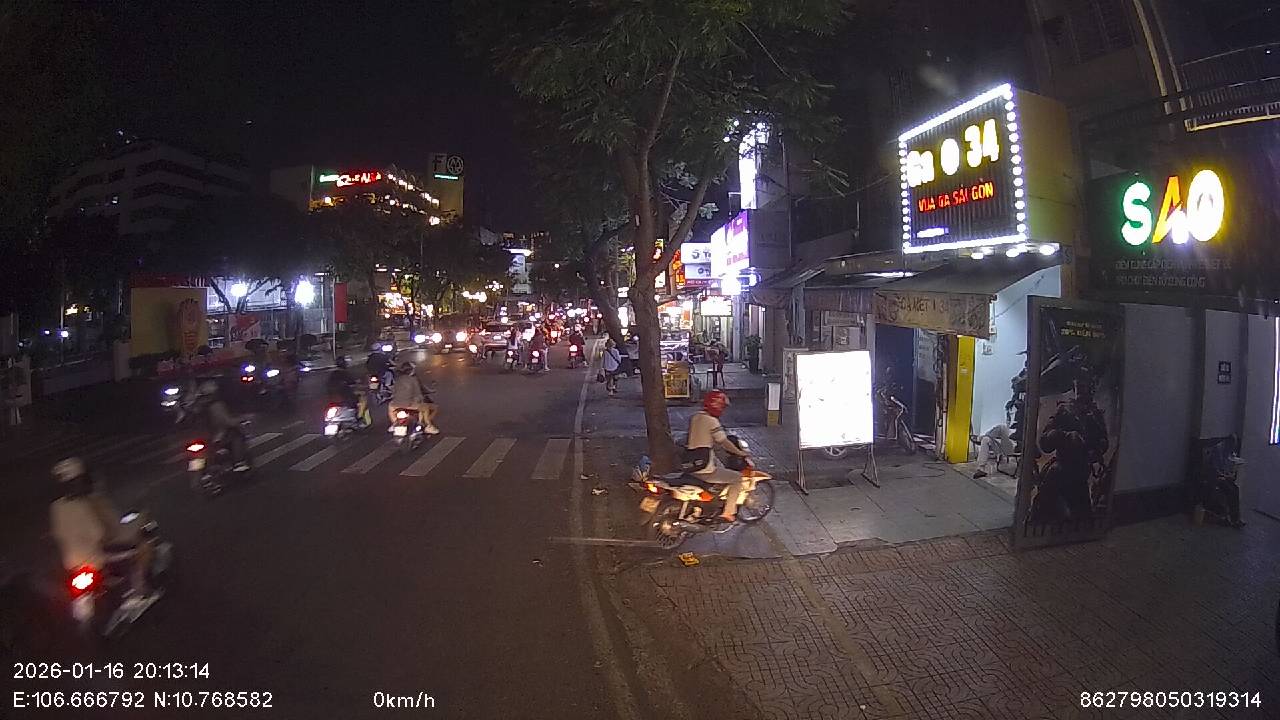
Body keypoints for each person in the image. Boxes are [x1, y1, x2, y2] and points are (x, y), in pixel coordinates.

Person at [50, 458, 157, 610]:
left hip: (72, 564)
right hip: (98, 557)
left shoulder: (56, 507)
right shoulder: (86, 503)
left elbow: (58, 534)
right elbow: (100, 533)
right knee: (141, 549)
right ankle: (138, 593)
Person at [684, 390, 752, 522]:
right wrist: (740, 453)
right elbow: (724, 442)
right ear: (717, 406)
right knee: (737, 478)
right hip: (704, 468)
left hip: (690, 464)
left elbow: (706, 440)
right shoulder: (712, 421)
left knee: (720, 469)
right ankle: (728, 513)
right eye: (722, 407)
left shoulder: (696, 417)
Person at [195, 381, 250, 472]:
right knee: (237, 435)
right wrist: (238, 421)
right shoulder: (215, 404)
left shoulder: (197, 405)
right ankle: (239, 462)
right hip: (217, 435)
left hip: (200, 436)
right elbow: (226, 421)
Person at [389, 361, 439, 434]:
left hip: (395, 404)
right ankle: (428, 425)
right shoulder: (413, 379)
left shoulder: (398, 379)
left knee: (390, 408)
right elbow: (418, 395)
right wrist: (421, 402)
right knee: (427, 408)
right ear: (412, 370)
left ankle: (394, 424)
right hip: (409, 404)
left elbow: (393, 391)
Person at [326, 356, 369, 427]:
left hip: (333, 397)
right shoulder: (345, 373)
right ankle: (359, 417)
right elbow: (353, 382)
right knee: (363, 397)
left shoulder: (333, 374)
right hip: (345, 395)